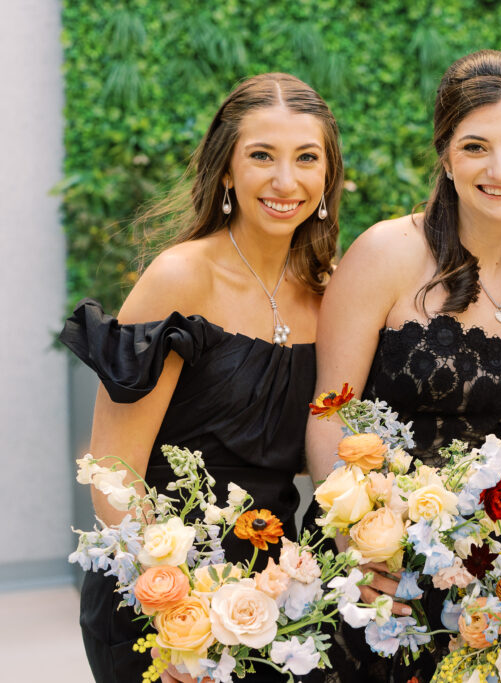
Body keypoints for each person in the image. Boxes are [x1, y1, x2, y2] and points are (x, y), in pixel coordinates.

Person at [304, 50, 501, 682]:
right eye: (476, 146)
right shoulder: (385, 254)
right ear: (446, 155)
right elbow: (329, 414)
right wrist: (359, 550)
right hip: (373, 567)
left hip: (492, 585)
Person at [60, 73, 342, 683]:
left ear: (327, 177)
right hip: (160, 607)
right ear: (226, 171)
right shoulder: (179, 280)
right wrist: (178, 616)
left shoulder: (330, 295)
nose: (285, 181)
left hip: (280, 607)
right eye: (261, 156)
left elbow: (307, 450)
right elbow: (113, 473)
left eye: (306, 158)